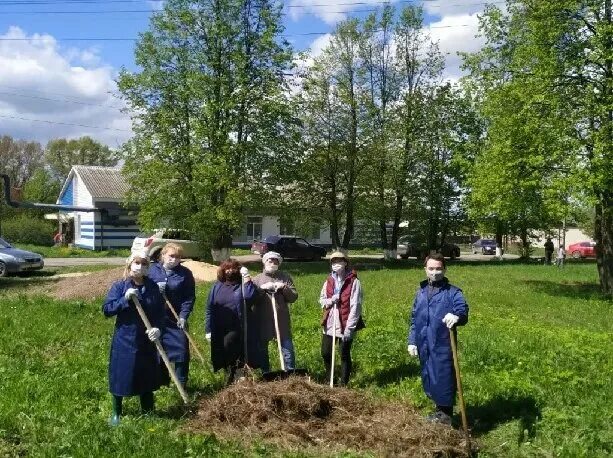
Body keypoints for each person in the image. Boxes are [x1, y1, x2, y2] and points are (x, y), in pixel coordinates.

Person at [102, 251, 165, 426]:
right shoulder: (120, 286)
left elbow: (160, 313)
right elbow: (107, 310)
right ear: (130, 265)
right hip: (125, 339)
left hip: (146, 339)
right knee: (121, 374)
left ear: (148, 268)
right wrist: (125, 299)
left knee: (146, 374)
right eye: (137, 263)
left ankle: (148, 411)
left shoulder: (153, 288)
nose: (140, 266)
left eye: (144, 264)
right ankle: (117, 413)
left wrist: (158, 329)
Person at [407, 253, 469, 425]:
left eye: (439, 268)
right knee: (428, 376)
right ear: (425, 269)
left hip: (442, 343)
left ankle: (445, 415)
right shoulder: (421, 292)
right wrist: (412, 341)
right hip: (423, 342)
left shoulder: (452, 292)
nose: (435, 272)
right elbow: (414, 318)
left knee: (443, 377)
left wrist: (457, 316)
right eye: (431, 269)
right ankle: (439, 410)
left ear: (444, 269)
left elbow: (462, 309)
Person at [148, 243, 196, 387]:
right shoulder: (152, 271)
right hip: (157, 319)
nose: (174, 259)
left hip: (175, 319)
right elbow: (144, 290)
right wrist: (156, 290)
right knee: (160, 350)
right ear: (163, 255)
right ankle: (163, 382)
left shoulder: (185, 273)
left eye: (178, 257)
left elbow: (189, 297)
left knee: (181, 351)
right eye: (171, 256)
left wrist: (183, 316)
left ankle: (182, 383)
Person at [205, 260, 257, 385]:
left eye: (233, 268)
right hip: (218, 326)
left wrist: (247, 278)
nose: (230, 271)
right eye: (227, 269)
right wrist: (208, 329)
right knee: (221, 351)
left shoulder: (242, 285)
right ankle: (229, 375)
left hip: (236, 325)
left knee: (231, 348)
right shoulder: (217, 286)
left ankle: (237, 375)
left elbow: (250, 297)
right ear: (222, 271)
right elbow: (209, 308)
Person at [319, 251, 365, 386]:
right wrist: (330, 300)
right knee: (326, 353)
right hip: (331, 321)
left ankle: (343, 384)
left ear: (345, 263)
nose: (336, 264)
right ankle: (330, 379)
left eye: (339, 261)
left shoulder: (354, 281)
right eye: (333, 262)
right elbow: (321, 299)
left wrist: (349, 329)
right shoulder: (329, 280)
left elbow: (355, 306)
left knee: (344, 354)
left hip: (345, 322)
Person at [252, 251, 298, 372]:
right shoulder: (256, 279)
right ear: (264, 262)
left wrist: (284, 287)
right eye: (270, 260)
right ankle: (265, 373)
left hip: (281, 321)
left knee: (287, 348)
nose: (272, 263)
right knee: (262, 349)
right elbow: (251, 299)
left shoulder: (285, 277)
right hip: (263, 320)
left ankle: (290, 372)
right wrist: (261, 289)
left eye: (275, 261)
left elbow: (293, 297)